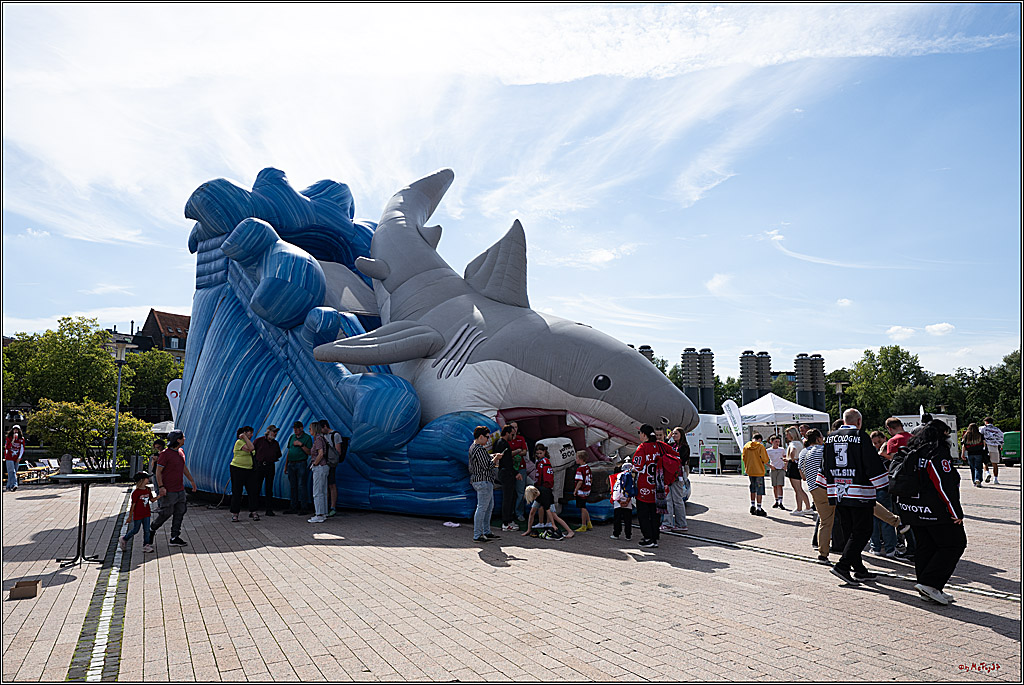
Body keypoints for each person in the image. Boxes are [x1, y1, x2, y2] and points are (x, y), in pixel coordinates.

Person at [892, 419, 967, 606]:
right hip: (935, 511)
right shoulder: (936, 453)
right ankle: (931, 584)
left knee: (925, 546)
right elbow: (944, 485)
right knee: (955, 544)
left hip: (912, 510)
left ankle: (928, 587)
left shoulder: (911, 451)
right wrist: (956, 511)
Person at [816, 409, 888, 585]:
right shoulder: (860, 436)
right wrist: (883, 484)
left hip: (838, 491)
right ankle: (843, 565)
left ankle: (859, 569)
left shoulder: (830, 437)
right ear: (859, 421)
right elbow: (871, 462)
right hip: (859, 491)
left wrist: (824, 484)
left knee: (849, 530)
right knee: (863, 530)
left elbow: (824, 463)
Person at [632, 424, 676, 547]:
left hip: (644, 486)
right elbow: (675, 454)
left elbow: (637, 467)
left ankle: (648, 538)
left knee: (644, 514)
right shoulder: (661, 445)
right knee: (656, 513)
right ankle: (655, 535)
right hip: (659, 486)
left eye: (640, 433)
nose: (639, 435)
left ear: (644, 435)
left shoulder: (642, 448)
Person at [151, 430, 197, 547]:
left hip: (180, 489)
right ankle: (152, 529)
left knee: (180, 512)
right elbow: (158, 472)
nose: (185, 439)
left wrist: (191, 480)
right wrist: (161, 487)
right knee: (166, 513)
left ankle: (174, 537)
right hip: (169, 490)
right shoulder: (165, 454)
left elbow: (183, 467)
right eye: (183, 437)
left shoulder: (181, 452)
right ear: (178, 440)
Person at [799, 429, 832, 564]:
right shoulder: (824, 449)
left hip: (814, 489)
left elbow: (803, 475)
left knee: (824, 522)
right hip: (829, 487)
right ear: (819, 438)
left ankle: (823, 554)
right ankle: (896, 522)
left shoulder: (803, 452)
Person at [869, 431, 899, 558]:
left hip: (873, 489)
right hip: (883, 488)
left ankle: (875, 547)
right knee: (886, 519)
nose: (876, 445)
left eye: (879, 442)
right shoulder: (888, 458)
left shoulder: (872, 456)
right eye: (874, 443)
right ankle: (890, 549)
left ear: (884, 439)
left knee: (875, 519)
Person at [468, 426, 500, 542]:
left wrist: (492, 457)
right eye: (487, 437)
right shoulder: (479, 449)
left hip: (480, 480)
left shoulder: (473, 447)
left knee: (487, 507)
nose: (488, 440)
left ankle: (486, 531)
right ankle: (478, 534)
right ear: (481, 437)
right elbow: (488, 466)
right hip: (483, 480)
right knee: (482, 508)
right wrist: (496, 458)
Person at [119, 471, 159, 553]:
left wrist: (159, 496)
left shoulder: (148, 489)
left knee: (147, 530)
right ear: (142, 480)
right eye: (147, 478)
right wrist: (130, 517)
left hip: (147, 513)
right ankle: (124, 538)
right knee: (135, 530)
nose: (148, 479)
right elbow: (133, 505)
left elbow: (151, 500)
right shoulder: (136, 493)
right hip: (138, 514)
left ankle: (146, 545)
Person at [229, 426, 260, 522]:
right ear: (244, 433)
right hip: (238, 469)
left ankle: (253, 511)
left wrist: (246, 439)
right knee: (237, 491)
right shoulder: (239, 442)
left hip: (249, 470)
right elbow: (251, 448)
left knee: (252, 491)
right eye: (249, 433)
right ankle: (235, 513)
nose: (251, 435)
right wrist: (244, 437)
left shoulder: (248, 442)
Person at [663, 427, 690, 532]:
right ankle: (668, 523)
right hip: (669, 474)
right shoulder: (672, 445)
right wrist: (667, 438)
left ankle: (681, 524)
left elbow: (681, 459)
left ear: (681, 435)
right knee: (668, 499)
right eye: (673, 434)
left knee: (677, 500)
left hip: (677, 475)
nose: (673, 435)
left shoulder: (684, 447)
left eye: (676, 434)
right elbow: (664, 446)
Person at [493, 425, 519, 532]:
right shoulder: (503, 444)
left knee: (512, 496)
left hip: (503, 472)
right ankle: (506, 522)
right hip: (506, 473)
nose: (513, 436)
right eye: (512, 434)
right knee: (508, 497)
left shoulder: (498, 443)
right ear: (507, 433)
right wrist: (515, 473)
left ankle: (509, 519)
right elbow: (507, 462)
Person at [283, 421, 312, 515]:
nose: (295, 430)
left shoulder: (307, 438)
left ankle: (304, 507)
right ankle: (293, 507)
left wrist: (301, 445)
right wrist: (286, 465)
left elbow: (309, 452)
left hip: (301, 463)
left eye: (297, 428)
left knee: (301, 485)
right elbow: (289, 451)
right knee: (293, 486)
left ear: (301, 428)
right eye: (294, 428)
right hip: (291, 464)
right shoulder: (292, 437)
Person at [252, 425, 281, 516]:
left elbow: (278, 454)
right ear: (268, 432)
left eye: (276, 432)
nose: (275, 434)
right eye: (273, 432)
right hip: (260, 466)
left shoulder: (275, 443)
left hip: (270, 466)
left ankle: (269, 509)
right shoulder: (259, 441)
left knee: (269, 488)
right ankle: (253, 510)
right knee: (256, 487)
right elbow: (252, 452)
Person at [321, 421, 348, 517]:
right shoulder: (323, 436)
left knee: (332, 484)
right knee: (326, 485)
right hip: (324, 463)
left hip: (331, 463)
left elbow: (338, 451)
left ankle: (332, 507)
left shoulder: (336, 435)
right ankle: (325, 506)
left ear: (325, 426)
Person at [742, 433, 770, 516]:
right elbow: (765, 459)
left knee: (752, 488)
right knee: (759, 490)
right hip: (759, 471)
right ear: (760, 439)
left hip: (750, 470)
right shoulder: (760, 447)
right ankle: (759, 508)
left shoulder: (746, 446)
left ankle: (752, 505)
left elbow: (743, 458)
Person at [308, 420, 330, 523]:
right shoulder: (322, 439)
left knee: (317, 491)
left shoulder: (318, 440)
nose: (309, 431)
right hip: (323, 467)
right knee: (323, 490)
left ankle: (319, 514)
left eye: (310, 429)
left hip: (319, 467)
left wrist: (314, 464)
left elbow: (320, 453)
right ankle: (324, 512)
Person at [784, 427, 810, 513]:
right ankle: (808, 507)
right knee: (800, 488)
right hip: (799, 464)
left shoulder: (793, 443)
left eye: (787, 434)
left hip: (793, 466)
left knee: (797, 489)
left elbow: (793, 451)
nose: (786, 436)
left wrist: (791, 458)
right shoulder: (800, 443)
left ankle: (799, 509)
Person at [508, 422, 529, 522]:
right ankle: (510, 512)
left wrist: (515, 452)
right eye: (513, 427)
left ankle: (519, 513)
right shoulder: (506, 440)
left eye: (516, 427)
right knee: (510, 492)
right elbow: (508, 454)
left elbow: (524, 451)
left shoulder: (521, 438)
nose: (515, 429)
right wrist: (517, 451)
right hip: (510, 469)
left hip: (521, 467)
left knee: (521, 491)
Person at [610, 462, 635, 540]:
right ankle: (628, 535)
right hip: (628, 502)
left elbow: (615, 489)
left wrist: (618, 501)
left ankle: (616, 534)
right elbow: (632, 491)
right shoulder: (632, 478)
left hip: (618, 502)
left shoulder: (618, 476)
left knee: (617, 519)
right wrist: (627, 501)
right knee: (628, 520)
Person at [960, 423, 988, 487]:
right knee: (978, 467)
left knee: (972, 468)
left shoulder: (966, 436)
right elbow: (984, 444)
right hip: (979, 453)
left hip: (970, 454)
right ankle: (978, 479)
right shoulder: (980, 435)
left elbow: (963, 446)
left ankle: (974, 481)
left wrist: (962, 454)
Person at [766, 435, 788, 510]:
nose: (777, 443)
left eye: (778, 442)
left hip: (781, 468)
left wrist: (785, 466)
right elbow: (764, 460)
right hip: (773, 469)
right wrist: (770, 466)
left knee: (780, 485)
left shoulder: (781, 449)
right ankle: (776, 500)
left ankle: (781, 502)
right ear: (771, 442)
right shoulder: (768, 450)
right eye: (776, 442)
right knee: (774, 486)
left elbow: (785, 458)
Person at [573, 451, 593, 532]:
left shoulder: (580, 469)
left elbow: (580, 481)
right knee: (584, 506)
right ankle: (589, 522)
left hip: (582, 491)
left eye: (577, 458)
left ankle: (583, 525)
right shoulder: (587, 467)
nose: (576, 459)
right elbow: (591, 478)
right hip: (587, 489)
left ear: (581, 459)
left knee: (582, 507)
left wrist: (575, 490)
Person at [980, 417, 1004, 484]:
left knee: (985, 462)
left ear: (986, 422)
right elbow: (1002, 437)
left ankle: (987, 473)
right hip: (995, 447)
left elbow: (980, 436)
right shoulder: (997, 429)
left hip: (986, 447)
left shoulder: (983, 428)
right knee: (995, 464)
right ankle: (995, 479)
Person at [4, 426, 25, 492]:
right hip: (9, 457)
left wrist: (19, 457)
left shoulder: (21, 439)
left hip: (16, 458)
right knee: (11, 471)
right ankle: (14, 485)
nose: (16, 431)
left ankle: (8, 486)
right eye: (14, 430)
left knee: (13, 472)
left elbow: (22, 448)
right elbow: (7, 447)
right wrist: (13, 440)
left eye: (17, 430)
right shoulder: (9, 438)